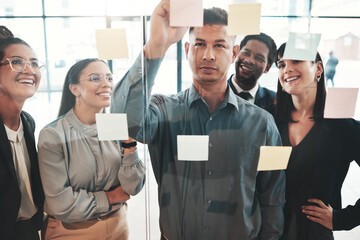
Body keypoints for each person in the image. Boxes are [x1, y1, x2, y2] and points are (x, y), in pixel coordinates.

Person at [111, 0, 285, 239]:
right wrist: (155, 47)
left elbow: (272, 197)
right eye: (200, 44)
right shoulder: (164, 111)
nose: (208, 55)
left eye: (220, 46)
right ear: (186, 50)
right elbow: (124, 121)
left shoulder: (262, 123)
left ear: (234, 53)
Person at [37, 58, 145, 240]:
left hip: (117, 227)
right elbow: (61, 204)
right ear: (75, 89)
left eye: (109, 78)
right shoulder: (53, 134)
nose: (106, 84)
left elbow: (132, 187)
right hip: (72, 232)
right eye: (95, 79)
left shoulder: (116, 126)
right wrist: (110, 197)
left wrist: (129, 144)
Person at [275, 43, 360, 239]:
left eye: (296, 61)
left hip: (313, 234)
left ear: (319, 68)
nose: (287, 69)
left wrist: (343, 219)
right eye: (281, 65)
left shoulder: (343, 127)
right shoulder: (269, 122)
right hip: (269, 231)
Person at [0, 26, 44, 240]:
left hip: (27, 231)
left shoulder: (27, 122)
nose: (29, 70)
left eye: (34, 63)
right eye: (17, 61)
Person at [228, 33, 277, 114]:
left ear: (267, 68)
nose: (249, 60)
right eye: (246, 53)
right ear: (236, 53)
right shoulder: (214, 95)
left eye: (259, 58)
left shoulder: (275, 102)